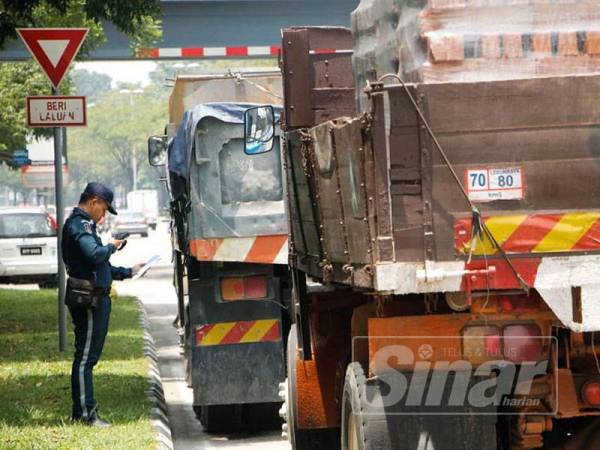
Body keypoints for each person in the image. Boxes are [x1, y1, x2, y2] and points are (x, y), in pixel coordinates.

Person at [62, 182, 141, 427]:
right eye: (104, 209)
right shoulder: (79, 224)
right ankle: (86, 414)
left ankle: (84, 410)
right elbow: (95, 254)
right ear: (94, 201)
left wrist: (129, 272)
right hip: (89, 299)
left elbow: (98, 266)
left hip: (96, 296)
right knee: (86, 358)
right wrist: (112, 246)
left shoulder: (86, 225)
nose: (103, 215)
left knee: (87, 357)